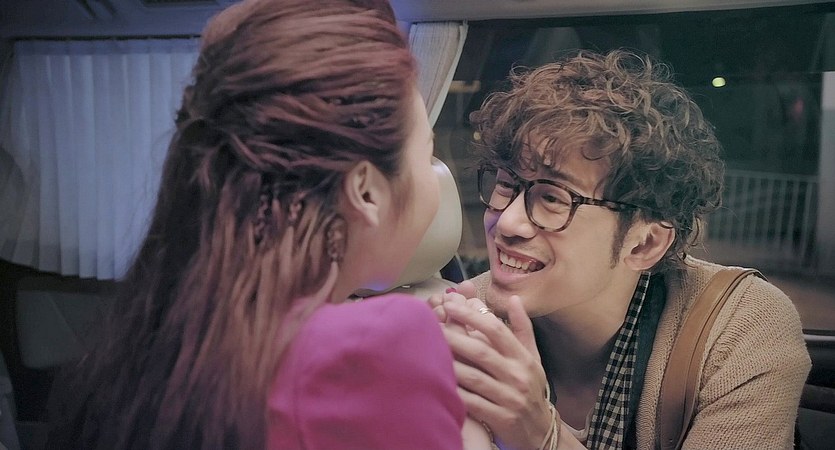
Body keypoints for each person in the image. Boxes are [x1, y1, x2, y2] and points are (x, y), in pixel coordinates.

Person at [44, 0, 479, 448]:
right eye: (427, 153)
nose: (436, 177)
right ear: (366, 191)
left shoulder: (151, 340)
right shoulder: (377, 347)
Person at [431, 49, 810, 449]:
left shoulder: (738, 327)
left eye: (553, 198)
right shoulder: (465, 319)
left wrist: (540, 434)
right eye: (506, 184)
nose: (507, 223)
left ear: (645, 243)